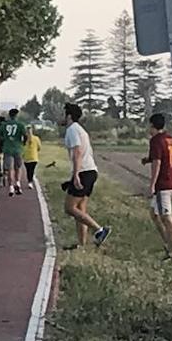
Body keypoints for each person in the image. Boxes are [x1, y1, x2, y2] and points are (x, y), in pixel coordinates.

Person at [61, 103, 111, 249]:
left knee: (69, 208)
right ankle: (82, 244)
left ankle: (99, 230)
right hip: (90, 171)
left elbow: (77, 152)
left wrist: (75, 175)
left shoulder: (72, 129)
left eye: (63, 114)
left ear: (69, 116)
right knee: (80, 209)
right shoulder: (79, 129)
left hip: (84, 171)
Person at [143, 113, 172, 261]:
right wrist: (148, 159)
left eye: (149, 125)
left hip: (163, 184)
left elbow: (157, 163)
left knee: (166, 217)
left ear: (152, 126)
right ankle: (168, 242)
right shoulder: (171, 139)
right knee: (154, 213)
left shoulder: (156, 140)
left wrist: (152, 185)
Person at [0, 108, 29, 196]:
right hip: (18, 148)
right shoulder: (20, 125)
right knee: (18, 167)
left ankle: (11, 187)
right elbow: (25, 135)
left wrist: (5, 139)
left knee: (10, 169)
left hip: (7, 148)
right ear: (16, 115)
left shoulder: (4, 125)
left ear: (9, 115)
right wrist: (23, 142)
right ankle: (17, 183)